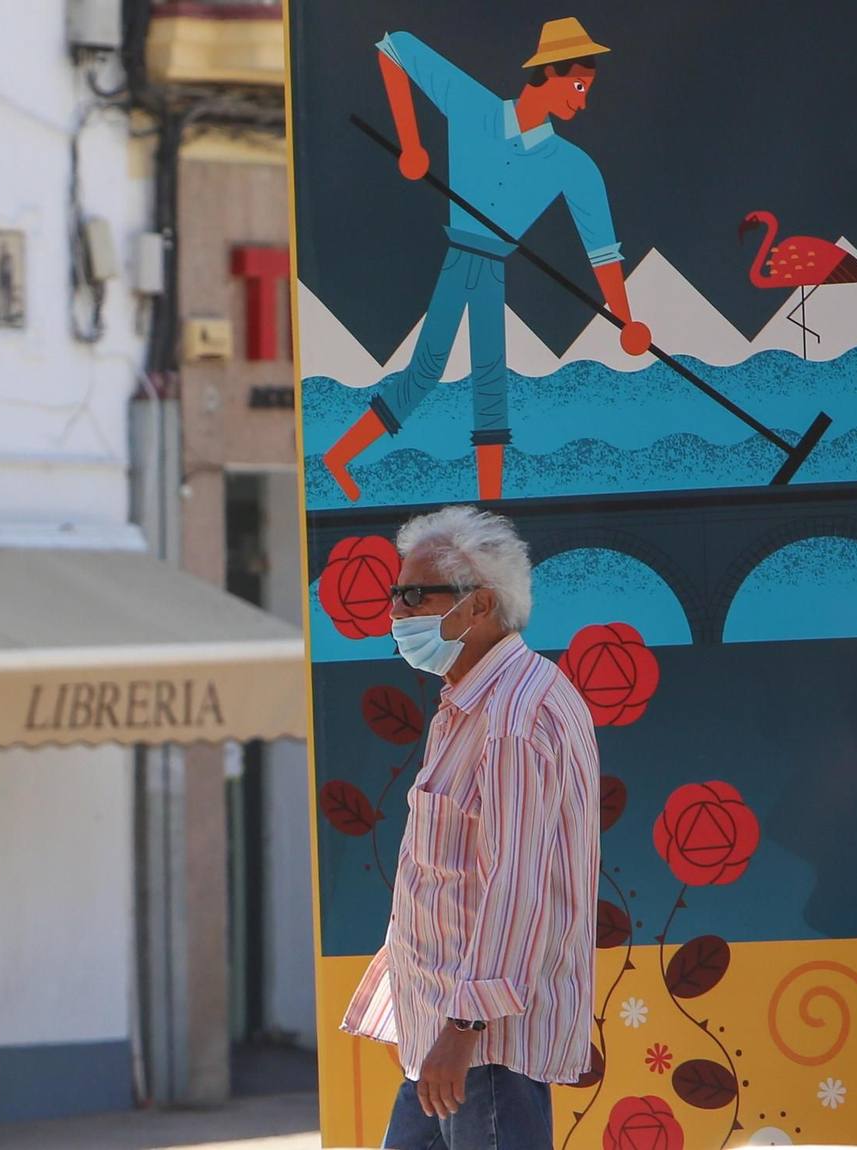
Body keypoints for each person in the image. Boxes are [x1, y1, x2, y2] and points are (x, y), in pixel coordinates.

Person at [341, 506, 600, 1150]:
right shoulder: (474, 702)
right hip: (447, 1037)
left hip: (481, 1048)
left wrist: (463, 1026)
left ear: (479, 604)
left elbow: (515, 885)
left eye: (413, 595)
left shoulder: (512, 717)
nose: (395, 612)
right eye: (395, 594)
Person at [324, 18, 652, 503]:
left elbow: (602, 251)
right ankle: (338, 457)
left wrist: (624, 319)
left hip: (490, 267)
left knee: (488, 383)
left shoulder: (572, 165)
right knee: (428, 371)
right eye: (578, 85)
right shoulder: (473, 106)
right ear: (551, 72)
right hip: (464, 258)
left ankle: (490, 508)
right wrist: (411, 143)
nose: (582, 101)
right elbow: (393, 48)